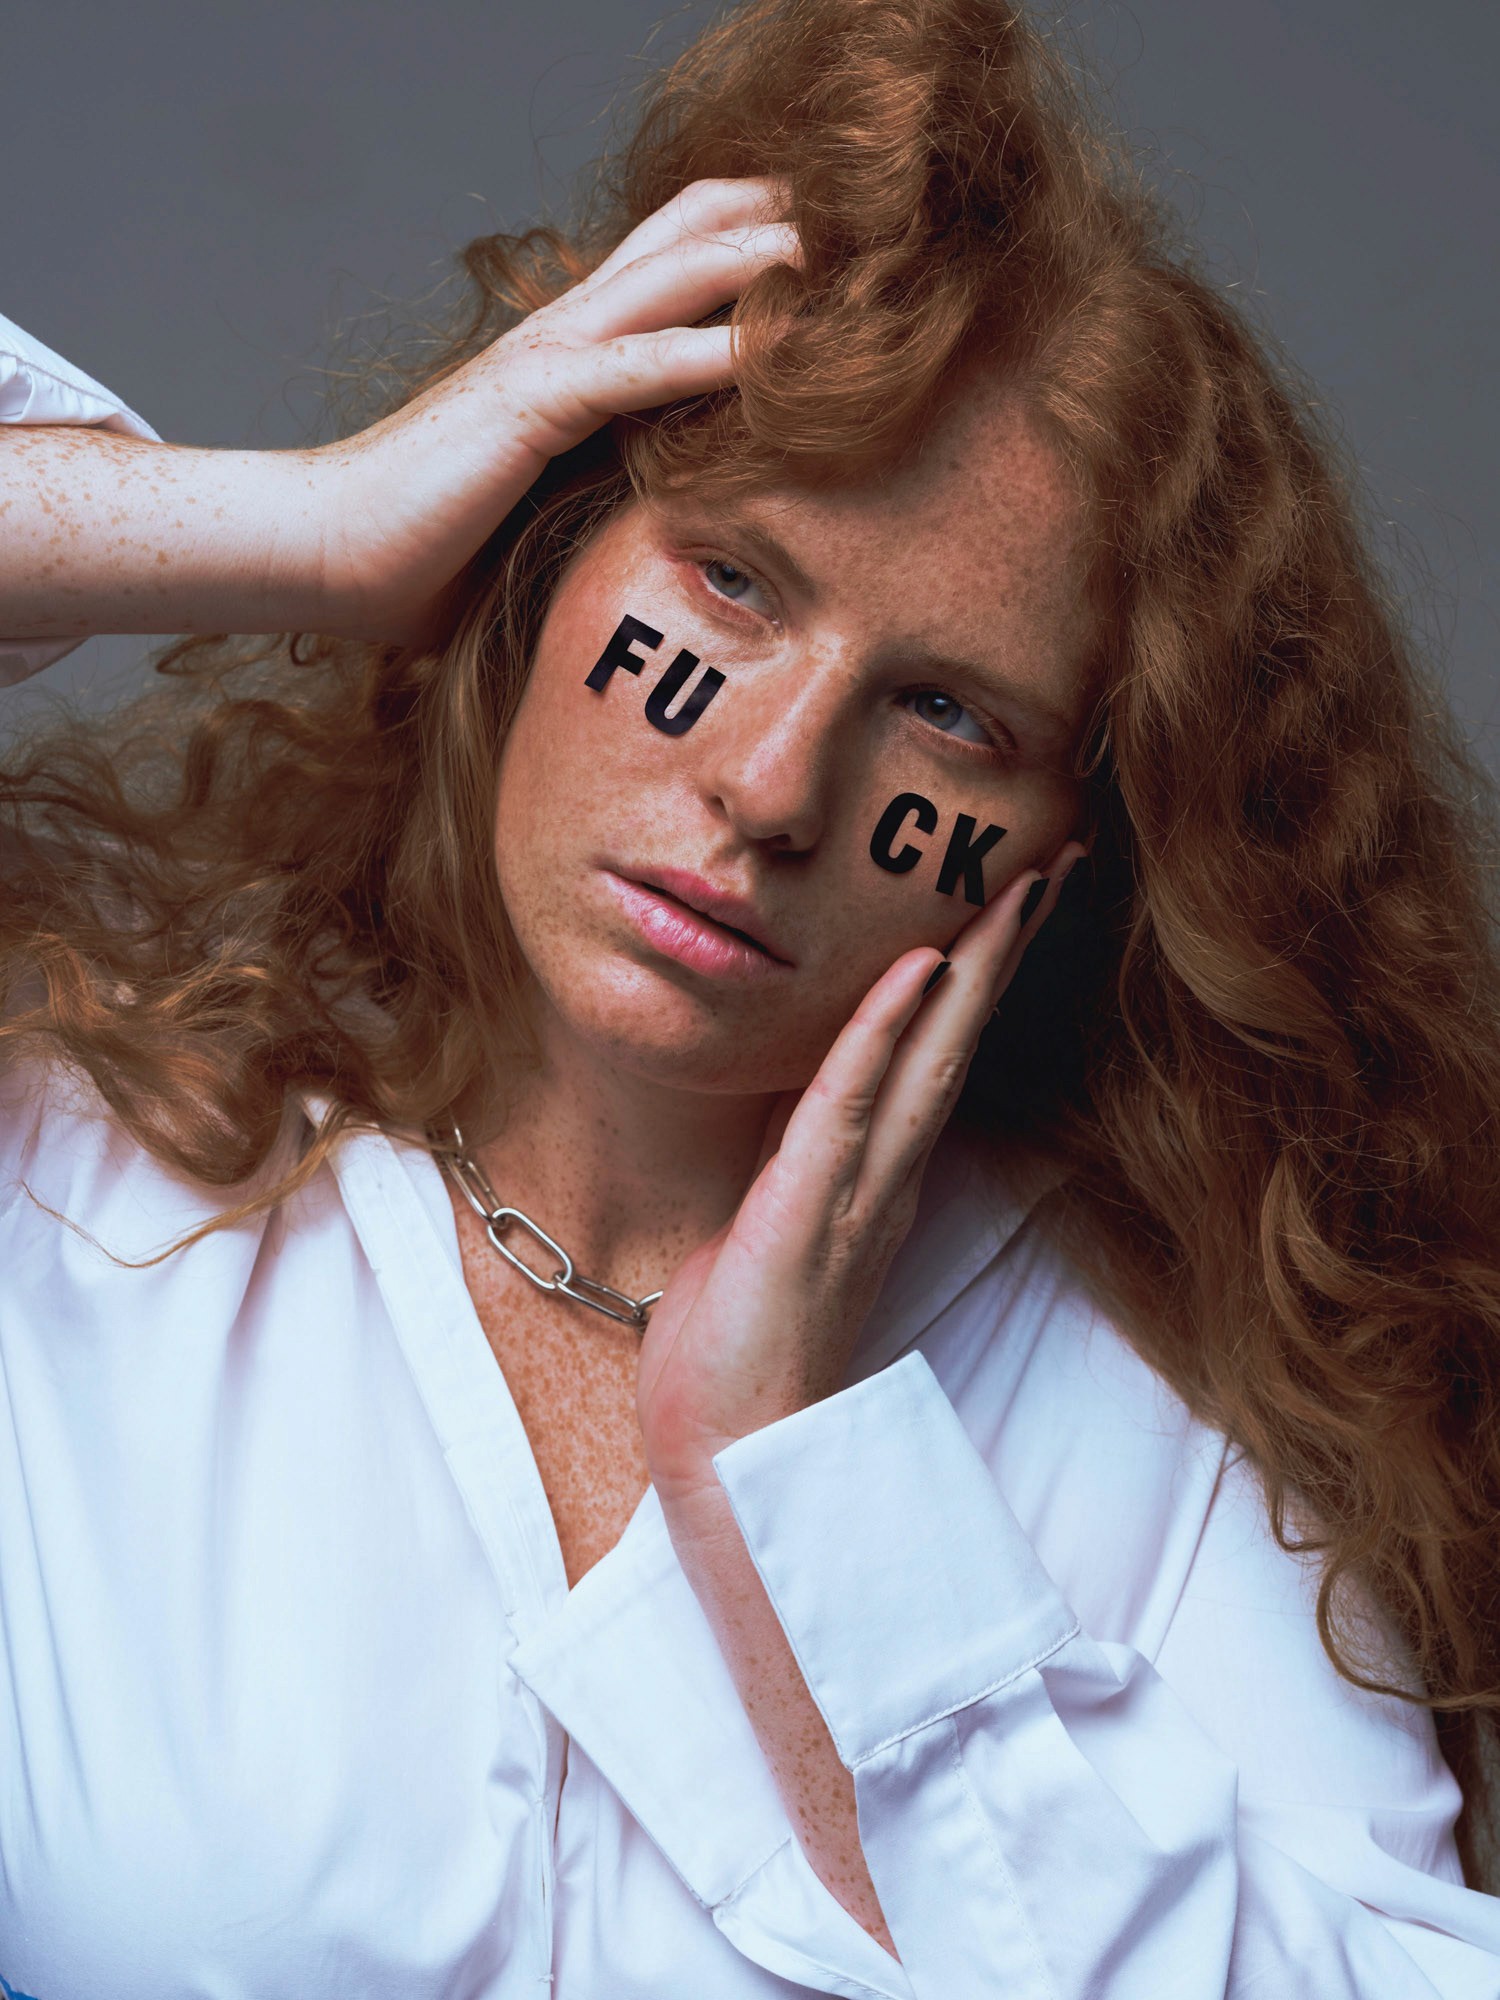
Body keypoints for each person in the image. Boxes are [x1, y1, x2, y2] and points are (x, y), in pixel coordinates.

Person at [1, 0, 1498, 1993]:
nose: (776, 785)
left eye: (952, 716)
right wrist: (323, 526)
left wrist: (811, 1493)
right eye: (730, 582)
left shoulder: (1183, 1401)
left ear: (1069, 849)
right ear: (540, 562)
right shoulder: (87, 1207)